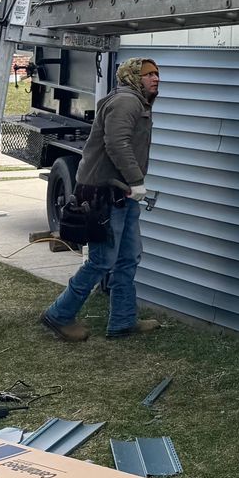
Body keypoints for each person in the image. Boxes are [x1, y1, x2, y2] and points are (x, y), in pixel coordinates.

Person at [39, 57, 162, 341]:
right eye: (148, 74)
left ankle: (122, 320)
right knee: (102, 261)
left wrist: (132, 185)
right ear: (132, 77)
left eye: (157, 74)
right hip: (104, 194)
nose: (155, 78)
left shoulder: (137, 101)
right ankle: (59, 314)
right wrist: (135, 180)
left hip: (122, 193)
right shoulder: (125, 102)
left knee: (129, 257)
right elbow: (116, 143)